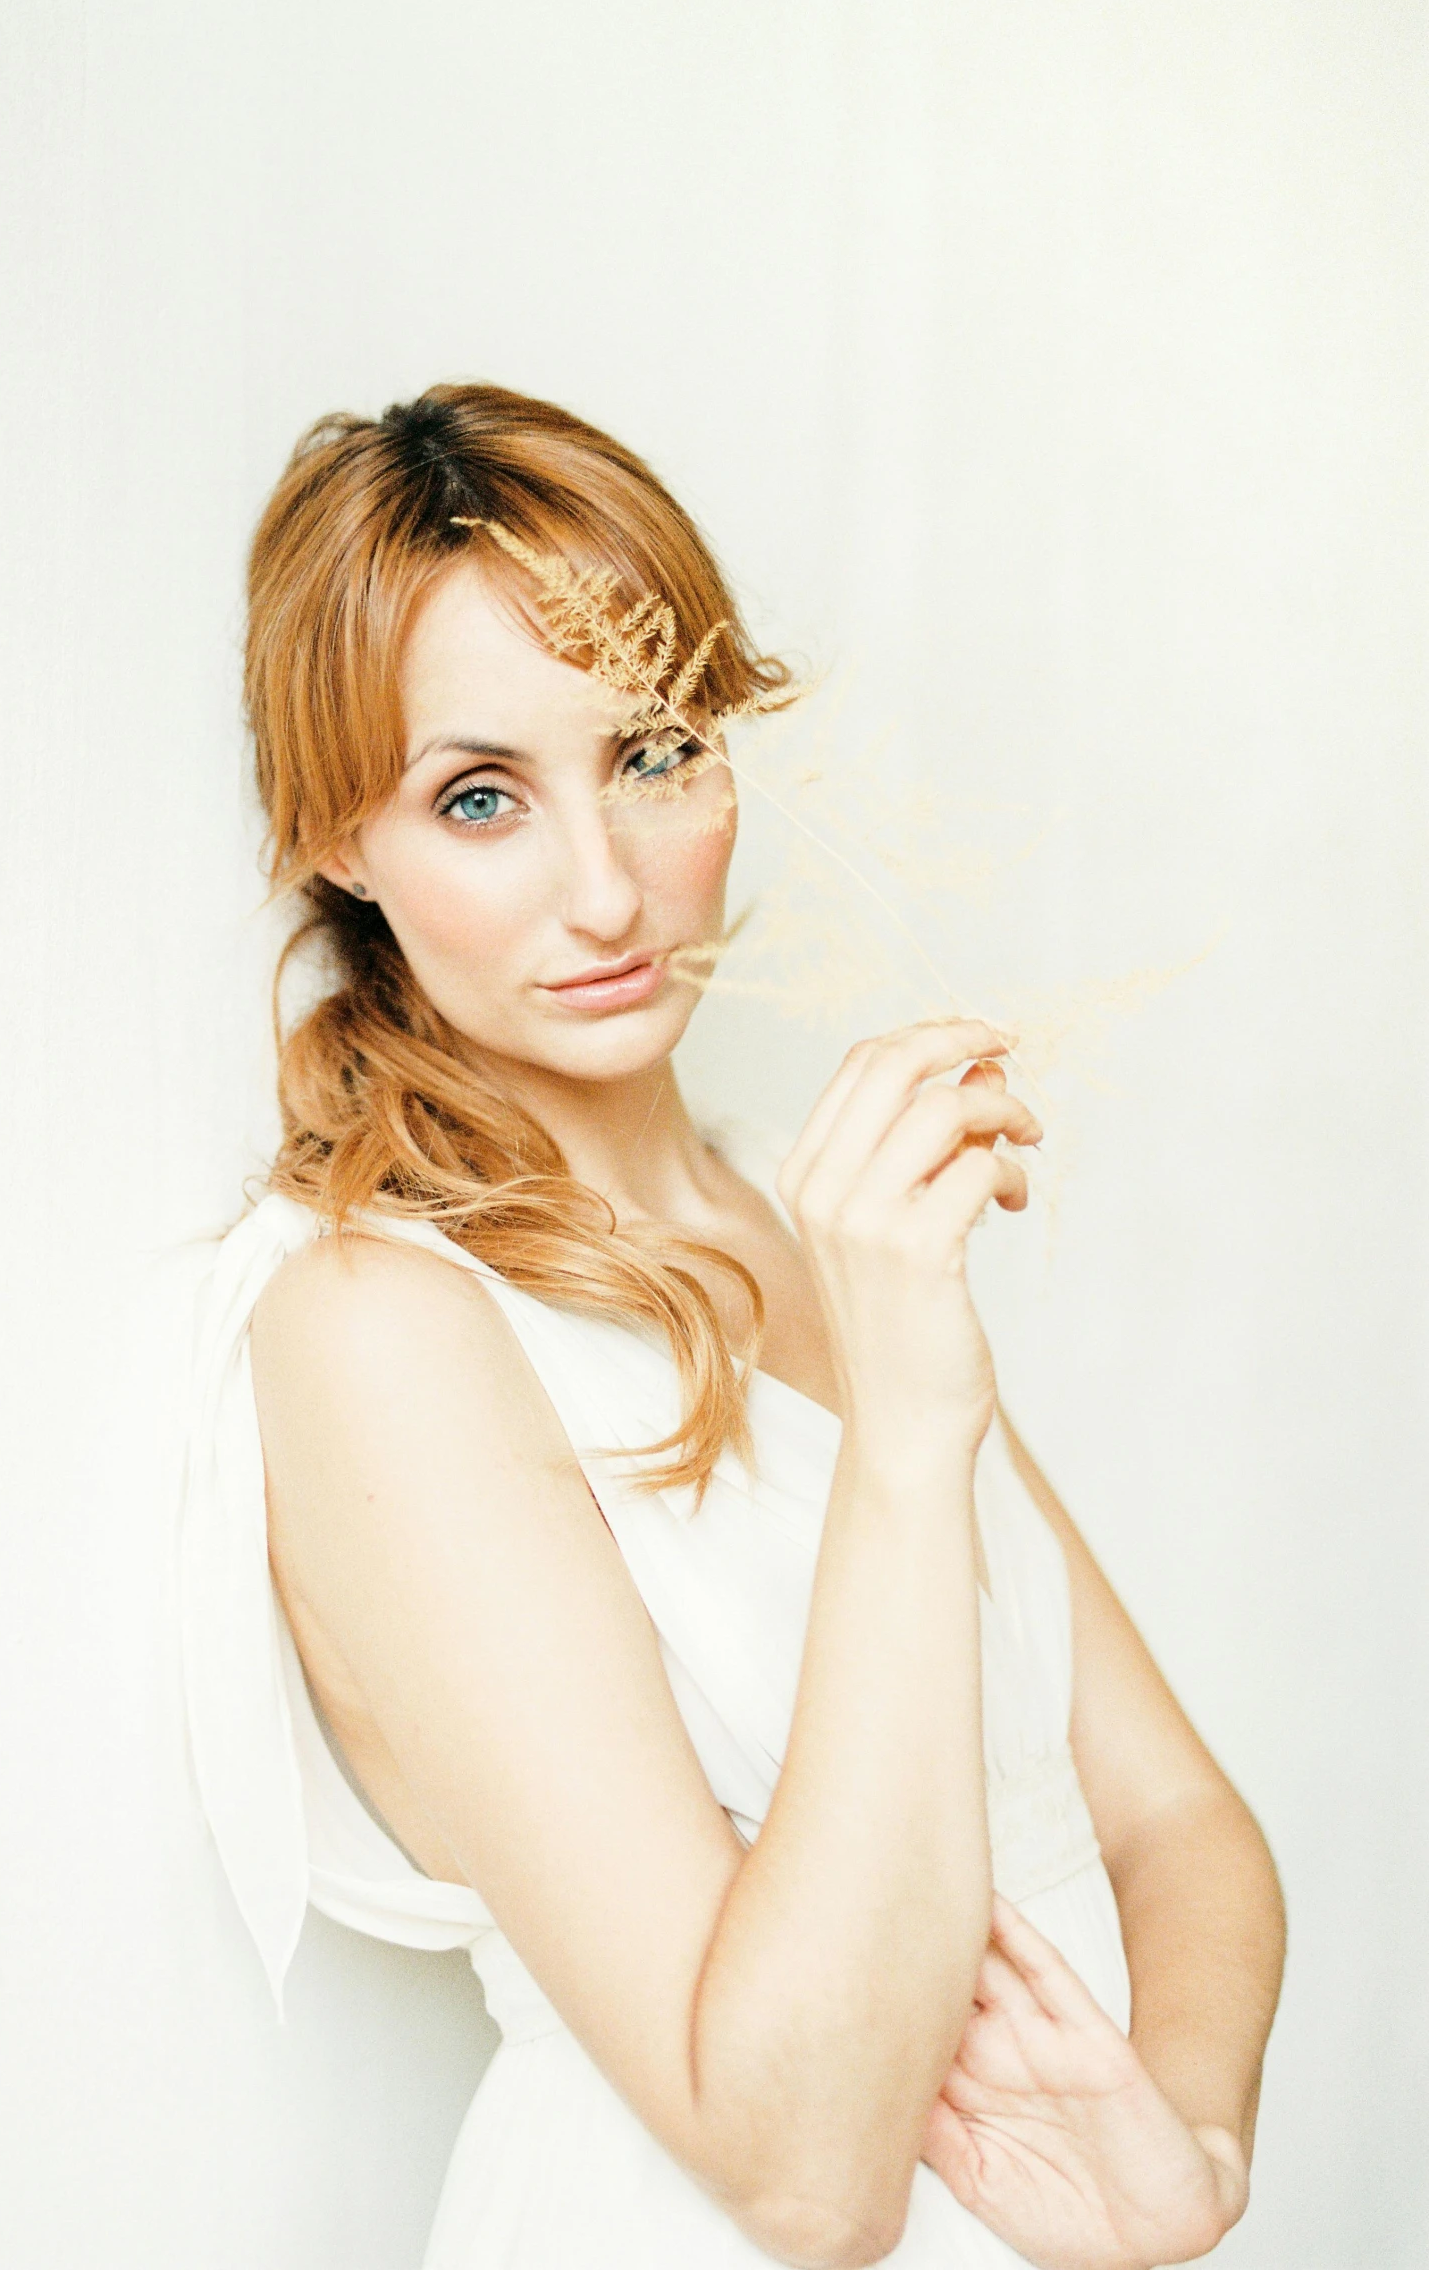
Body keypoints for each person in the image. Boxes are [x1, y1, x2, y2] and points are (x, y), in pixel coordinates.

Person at [180, 382, 1285, 2269]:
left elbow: (1181, 1821)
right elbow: (803, 2169)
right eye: (479, 796)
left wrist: (1183, 2160)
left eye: (656, 750)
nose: (607, 889)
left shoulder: (797, 1203)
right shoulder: (376, 1323)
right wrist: (913, 1428)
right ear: (336, 838)